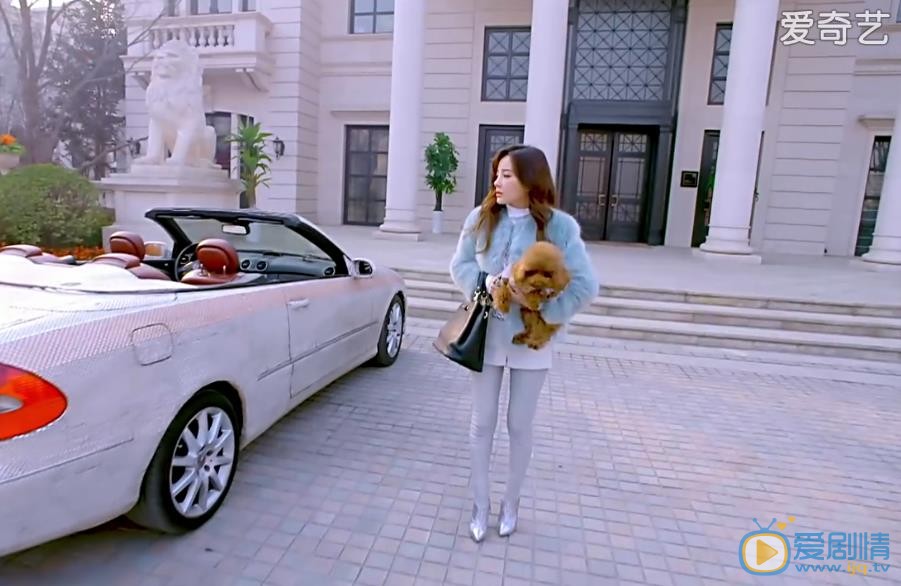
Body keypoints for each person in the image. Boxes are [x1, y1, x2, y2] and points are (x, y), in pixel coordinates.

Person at [449, 144, 599, 542]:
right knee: (482, 422)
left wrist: (541, 308)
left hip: (532, 341)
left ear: (530, 180)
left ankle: (510, 503)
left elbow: (585, 285)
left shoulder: (560, 227)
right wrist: (487, 283)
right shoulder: (480, 218)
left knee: (519, 424)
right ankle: (480, 504)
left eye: (507, 175)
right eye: (496, 174)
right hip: (486, 334)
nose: (497, 182)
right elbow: (460, 265)